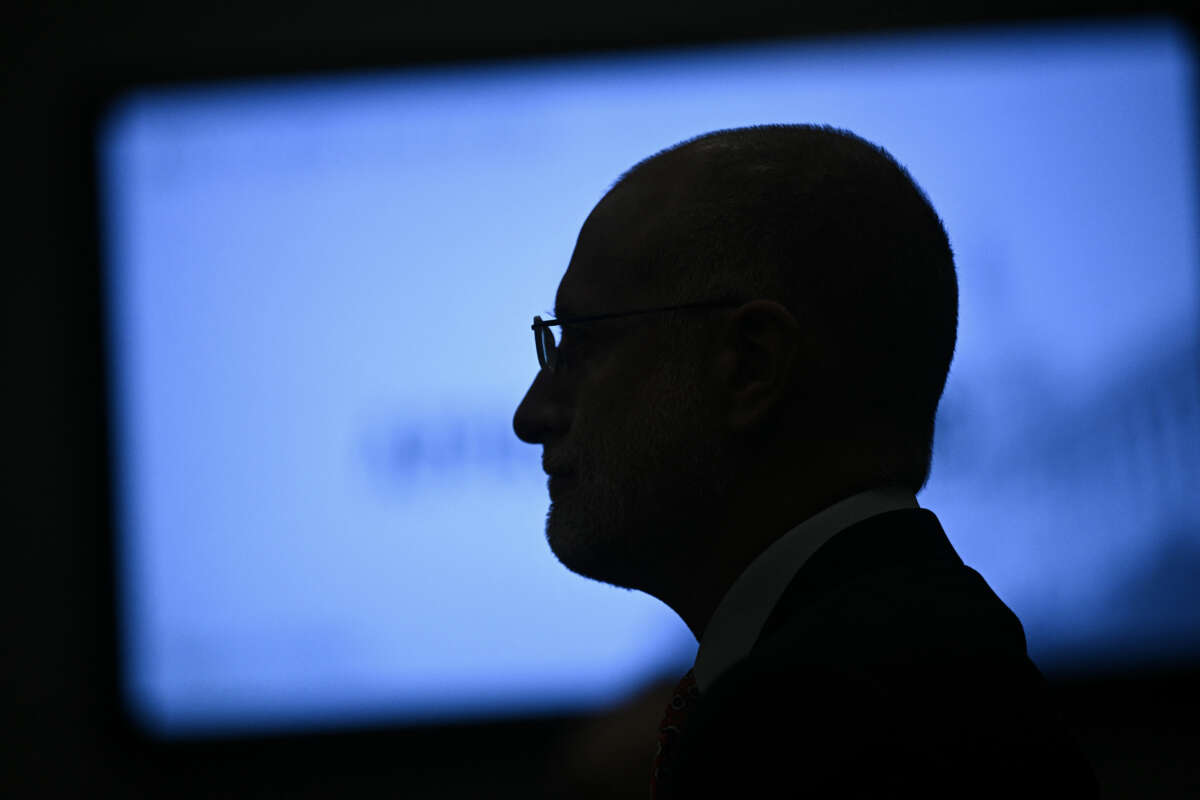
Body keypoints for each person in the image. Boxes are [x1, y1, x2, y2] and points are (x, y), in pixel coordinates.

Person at [512, 124, 1099, 798]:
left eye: (581, 345)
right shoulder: (926, 660)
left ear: (751, 366)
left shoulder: (807, 726)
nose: (531, 416)